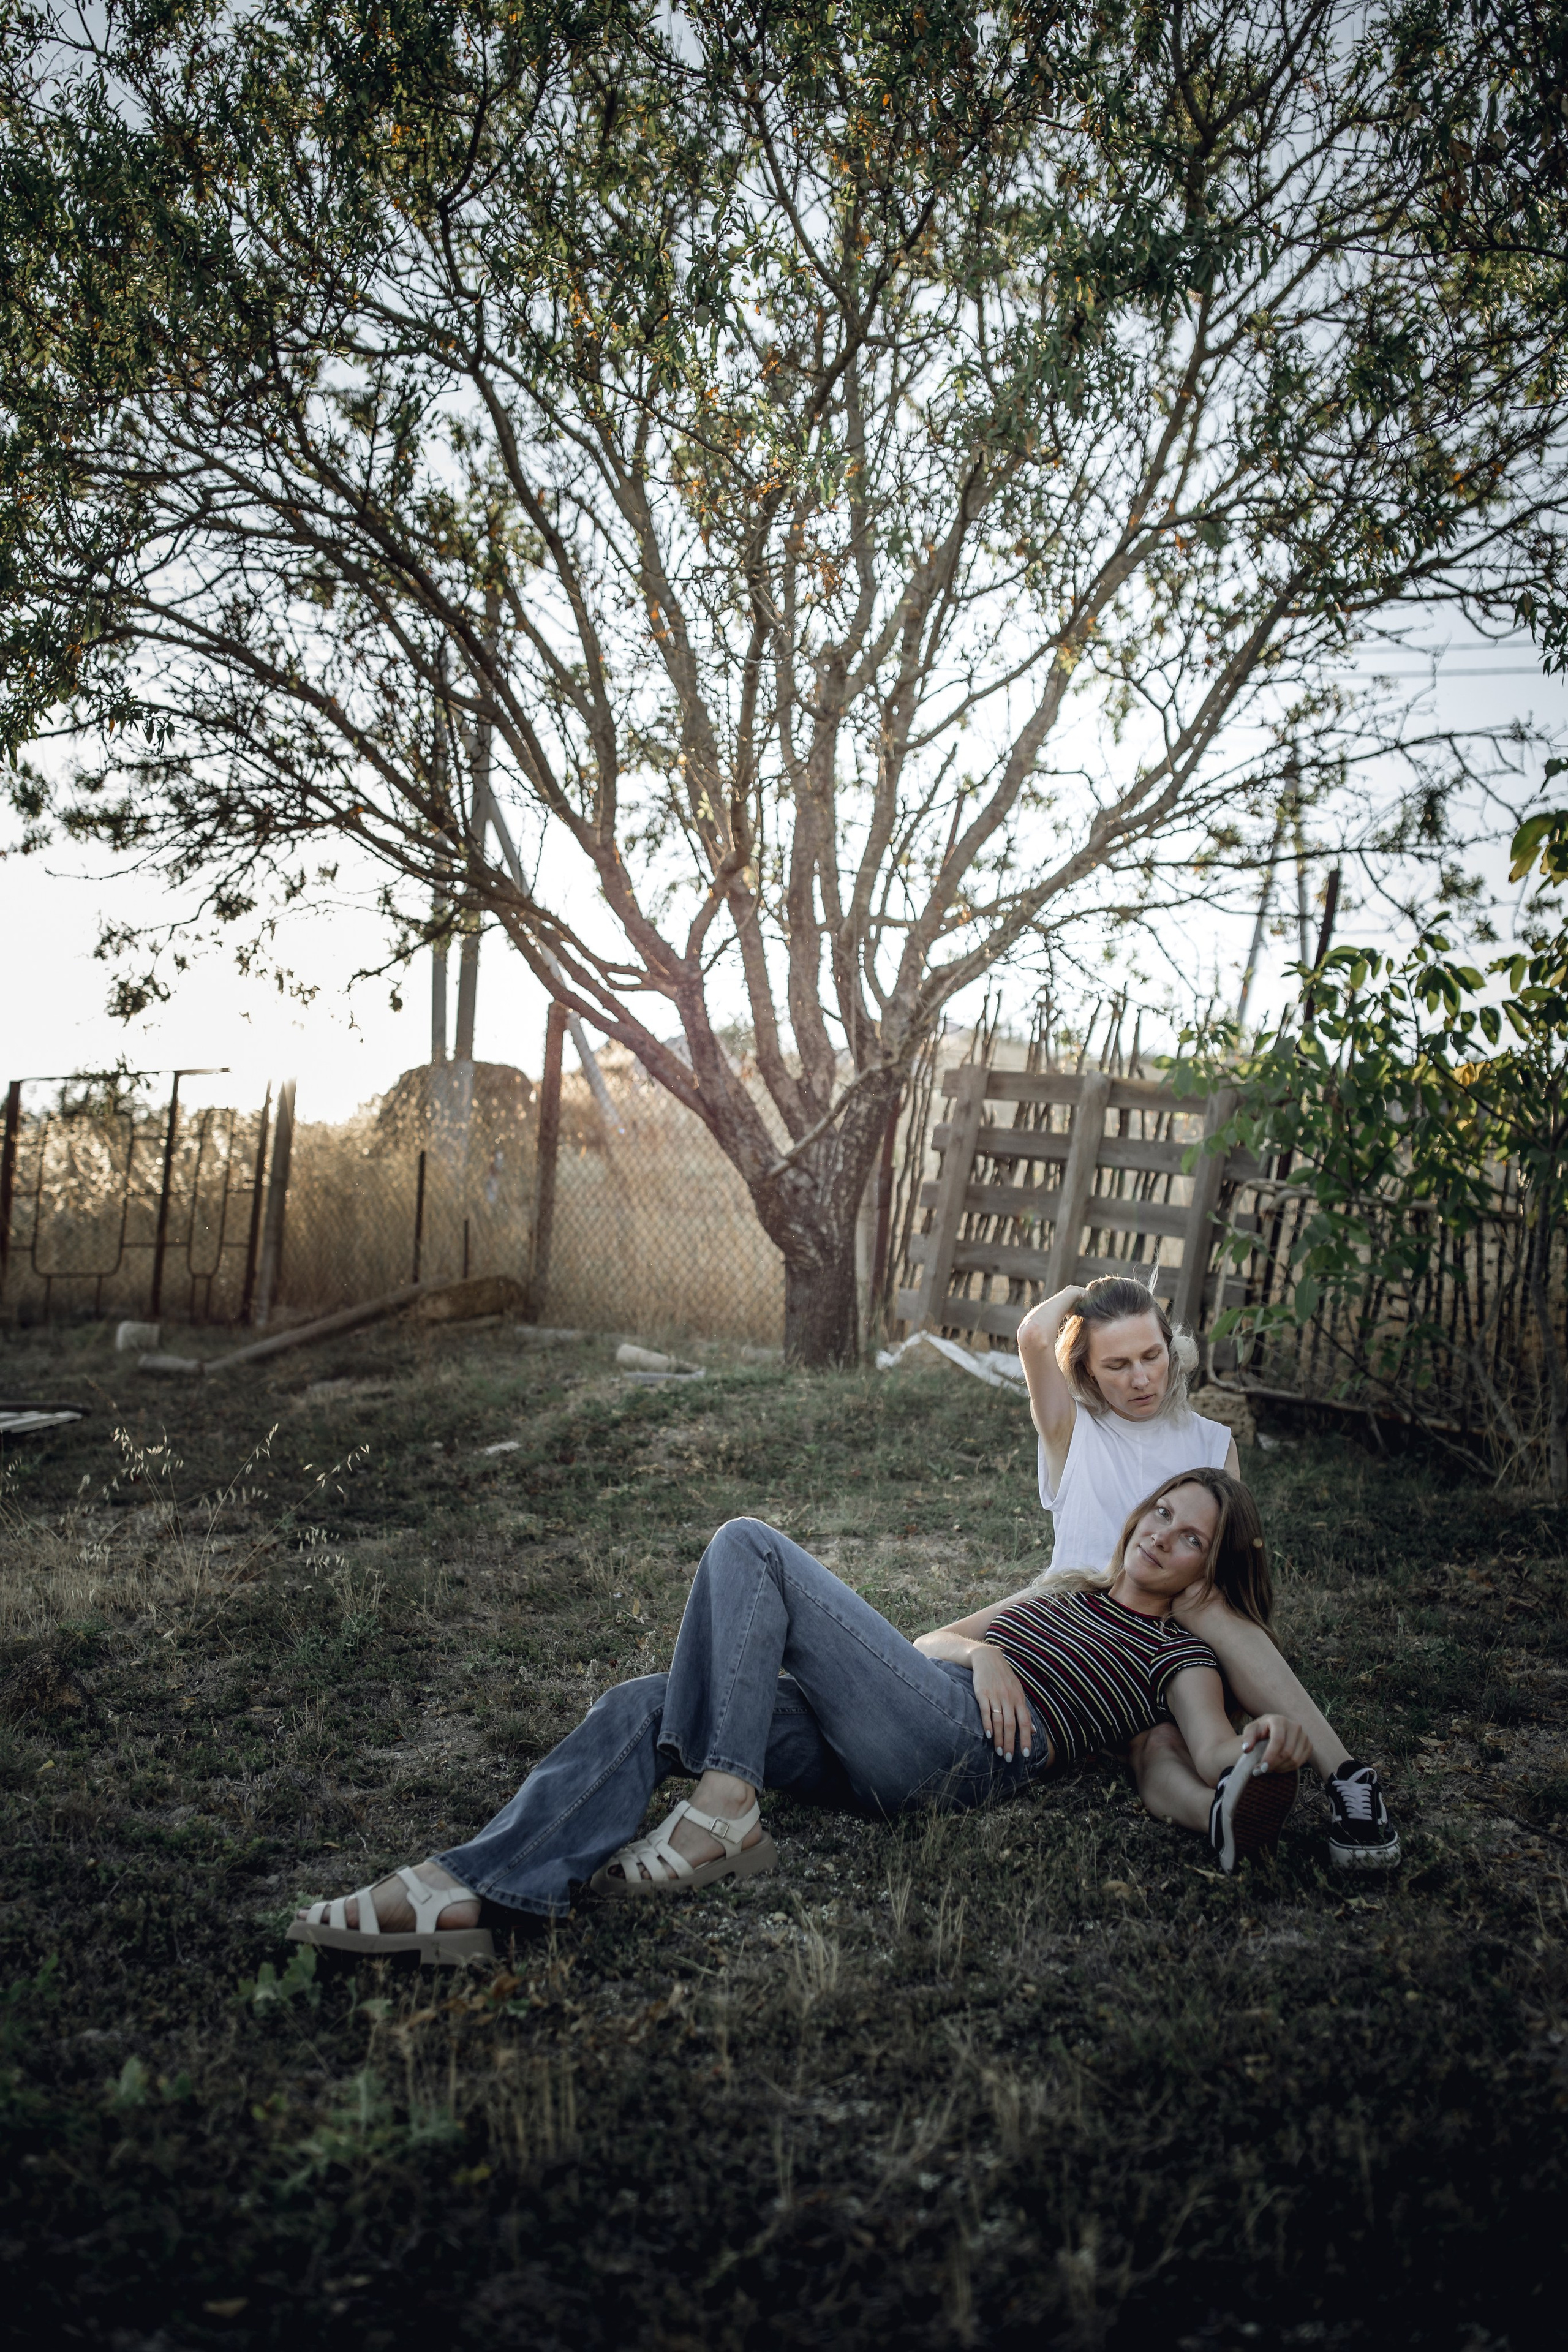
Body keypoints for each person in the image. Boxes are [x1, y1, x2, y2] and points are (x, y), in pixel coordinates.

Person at [288, 1472, 1307, 1967]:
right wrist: (990, 1648)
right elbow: (934, 1640)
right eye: (1160, 1515)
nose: (1161, 1537)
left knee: (751, 1545)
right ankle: (486, 1886)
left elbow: (1211, 1748)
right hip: (911, 1717)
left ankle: (726, 1805)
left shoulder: (1177, 1654)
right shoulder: (1061, 1595)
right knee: (645, 1702)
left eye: (1189, 1538)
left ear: (1210, 1570)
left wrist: (1262, 1755)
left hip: (961, 1749)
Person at [1016, 1275, 1400, 1870]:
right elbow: (1033, 1334)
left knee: (1167, 1721)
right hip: (1090, 1637)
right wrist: (1075, 1293)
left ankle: (1340, 1780)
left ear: (1172, 1350)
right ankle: (1229, 1790)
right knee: (1160, 1725)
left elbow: (1231, 1565)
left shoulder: (1211, 1442)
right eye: (1115, 1365)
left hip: (1178, 1640)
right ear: (1086, 1372)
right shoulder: (1072, 1431)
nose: (1141, 1379)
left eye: (1151, 1355)